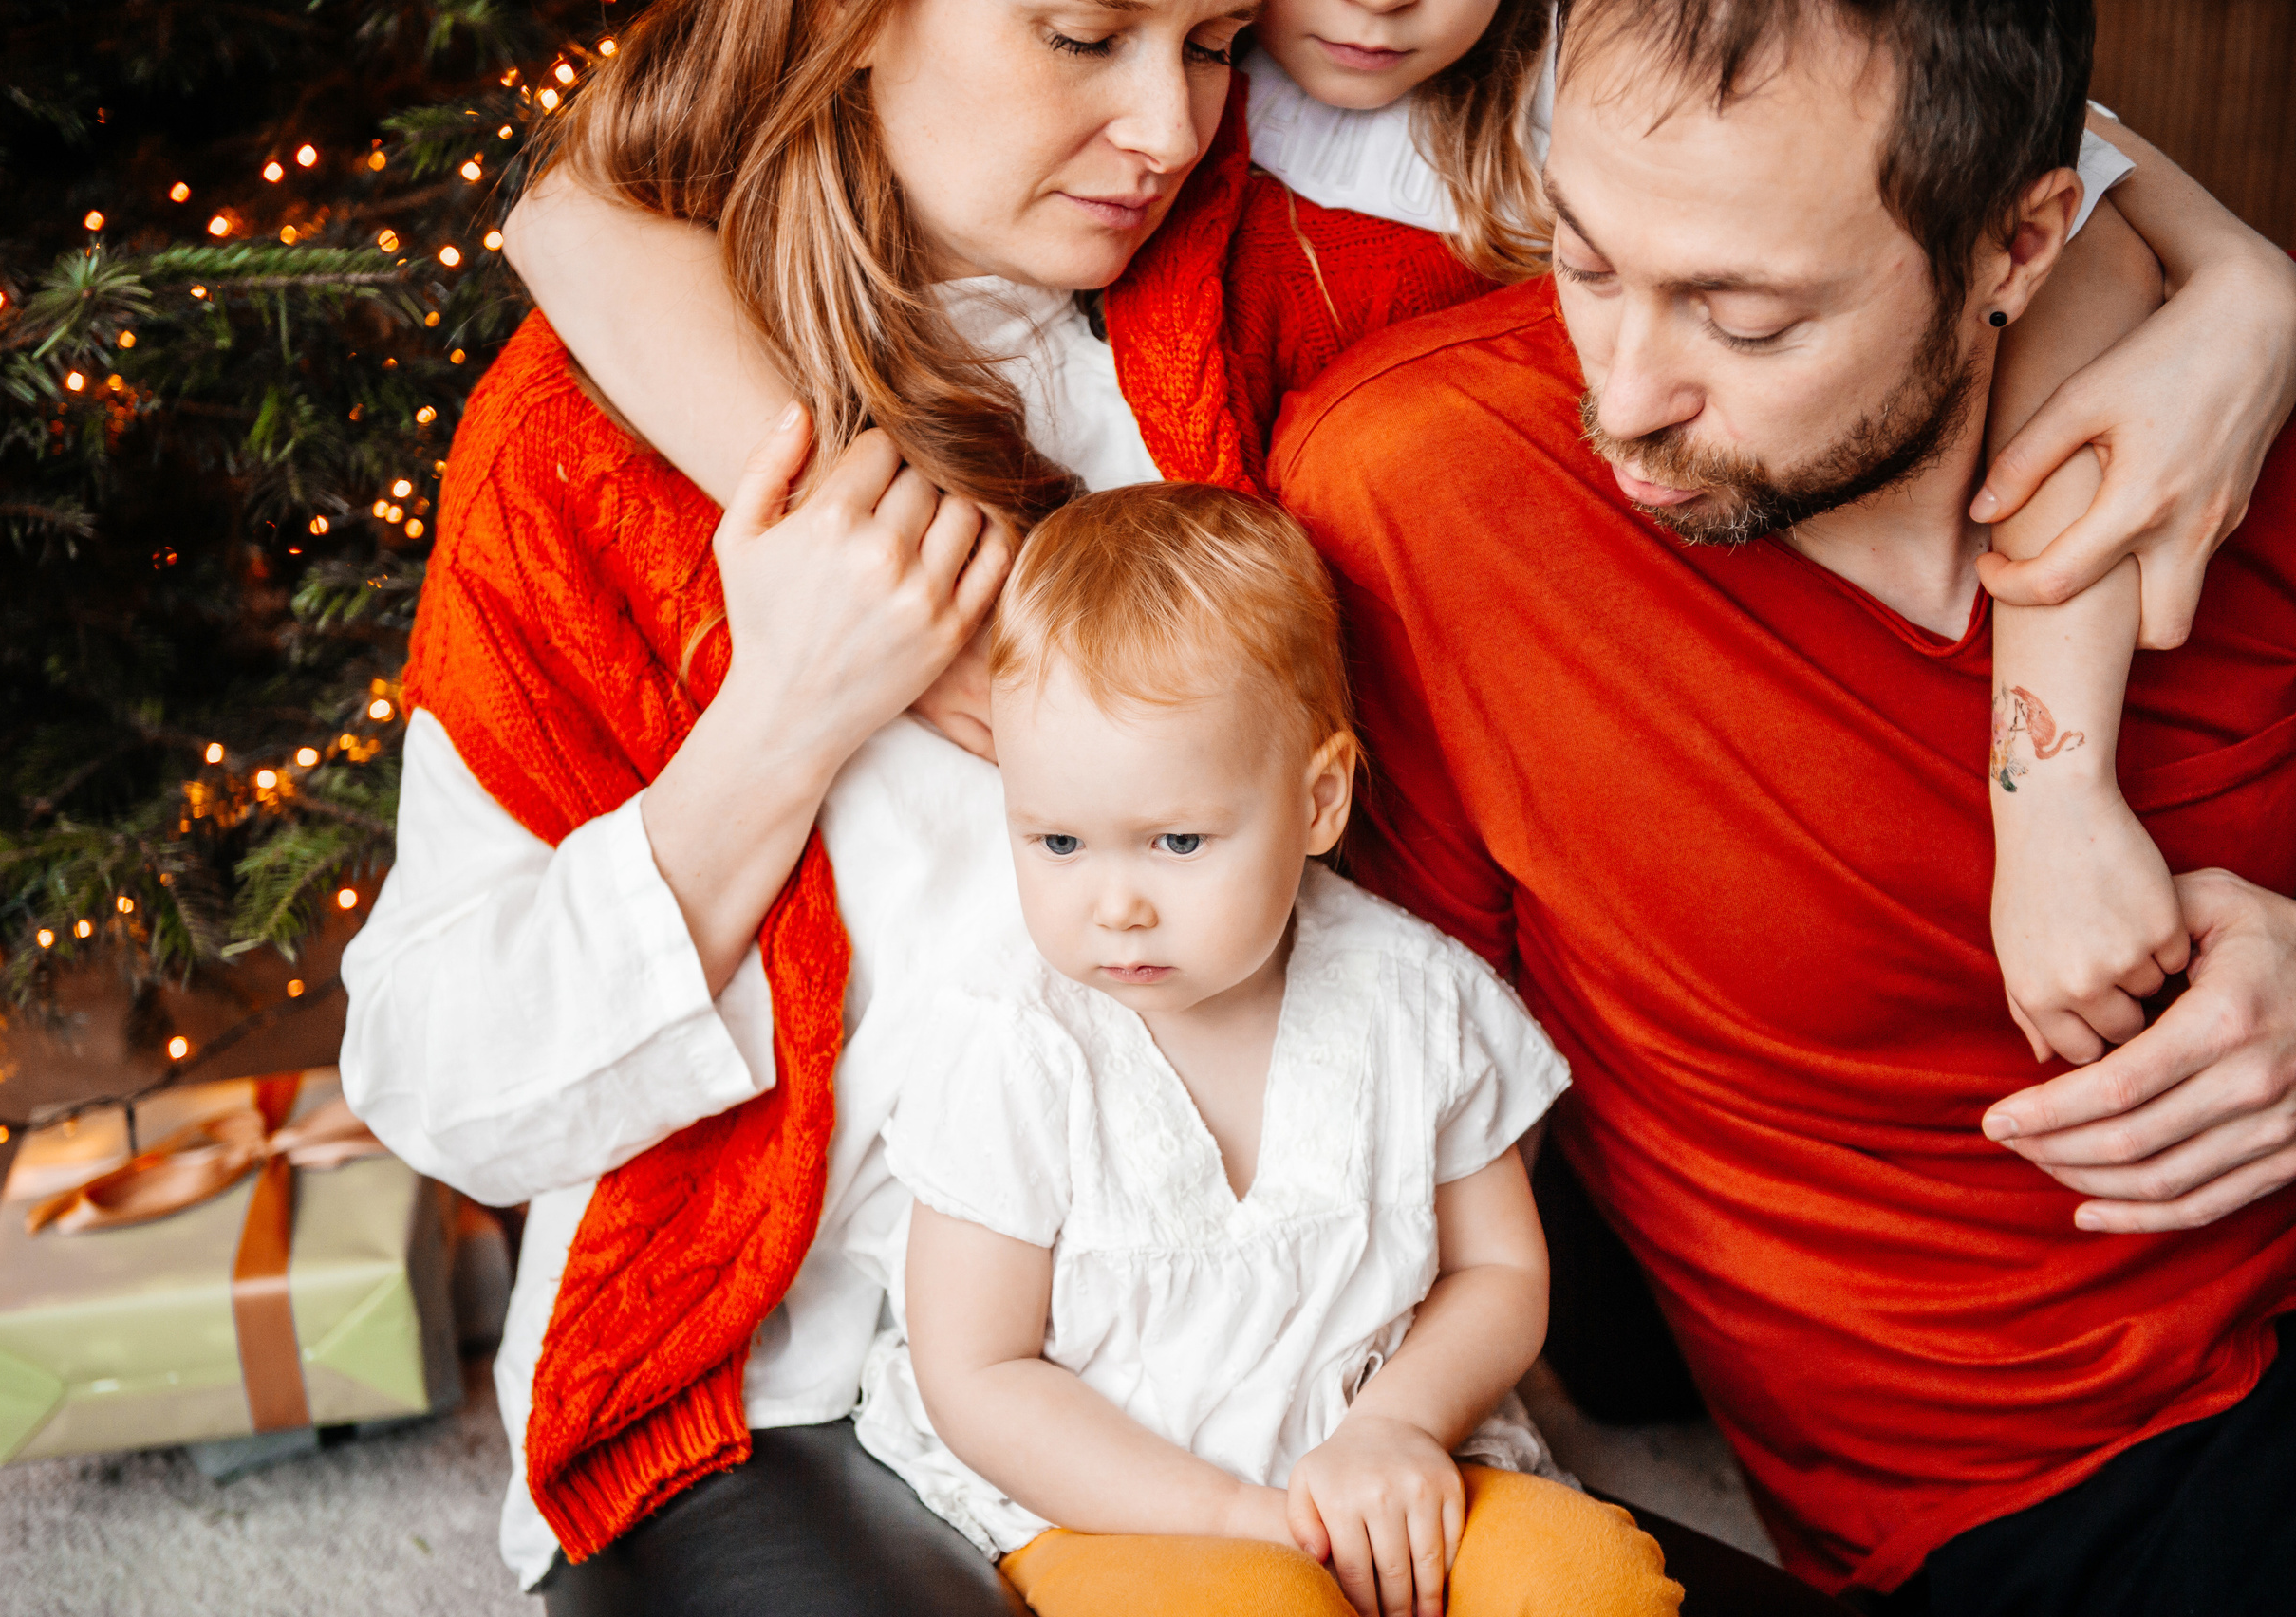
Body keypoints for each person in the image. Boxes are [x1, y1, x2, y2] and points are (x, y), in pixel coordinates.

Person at [512, 0, 2296, 1075]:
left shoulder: (1573, 75)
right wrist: (906, 586)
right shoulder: (1169, 118)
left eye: (1201, 41)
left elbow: (2034, 175)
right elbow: (580, 213)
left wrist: (2240, 288)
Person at [339, 0, 1505, 1610]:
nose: (1170, 126)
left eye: (1217, 41)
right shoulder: (578, 445)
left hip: (1242, 1347)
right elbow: (439, 1080)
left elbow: (1648, 315)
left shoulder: (1247, 312)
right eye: (1083, 36)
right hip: (795, 1390)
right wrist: (781, 721)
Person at [1270, 0, 2296, 1609]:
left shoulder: (2230, 425)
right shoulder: (1434, 500)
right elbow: (1373, 1089)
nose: (1627, 391)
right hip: (2050, 1485)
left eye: (1746, 322)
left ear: (2017, 243)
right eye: (1588, 261)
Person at [854, 482, 1680, 1617]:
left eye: (1177, 840)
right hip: (1112, 1502)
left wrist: (1395, 1428)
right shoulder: (1012, 1044)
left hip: (1385, 1459)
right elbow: (978, 1374)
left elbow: (1499, 1271)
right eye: (1057, 840)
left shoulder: (1414, 1001)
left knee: (1589, 1584)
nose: (1115, 905)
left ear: (1319, 800)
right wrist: (1243, 1520)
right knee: (1261, 1608)